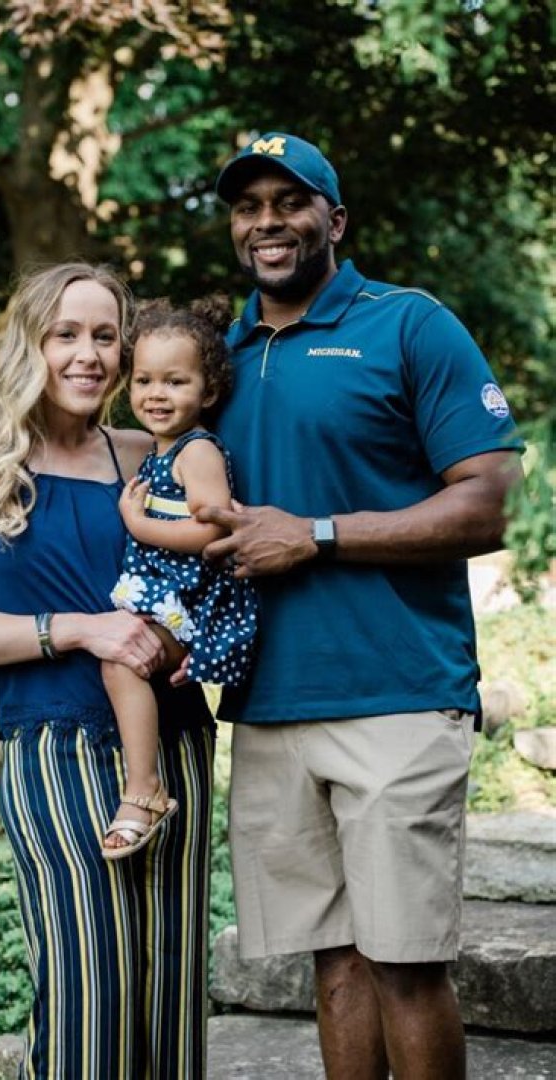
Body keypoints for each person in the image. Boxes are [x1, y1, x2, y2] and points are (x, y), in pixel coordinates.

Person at [198, 133, 524, 1080]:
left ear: (333, 220)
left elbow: (493, 501)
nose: (267, 222)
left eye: (289, 202)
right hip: (268, 705)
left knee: (405, 965)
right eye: (248, 206)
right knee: (333, 964)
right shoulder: (217, 357)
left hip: (397, 693)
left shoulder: (410, 325)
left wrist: (319, 534)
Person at [0, 262, 214, 1079]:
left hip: (175, 748)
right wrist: (81, 629)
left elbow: (208, 568)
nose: (88, 355)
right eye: (65, 335)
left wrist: (196, 632)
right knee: (90, 1005)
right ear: (29, 343)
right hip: (55, 751)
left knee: (173, 997)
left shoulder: (149, 455)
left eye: (105, 336)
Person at [102, 297, 257, 859]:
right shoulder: (161, 451)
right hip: (169, 593)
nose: (156, 394)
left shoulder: (198, 451)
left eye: (175, 381)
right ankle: (143, 783)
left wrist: (139, 525)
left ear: (208, 392)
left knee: (120, 661)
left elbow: (213, 530)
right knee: (120, 662)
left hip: (191, 601)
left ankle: (144, 790)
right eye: (144, 380)